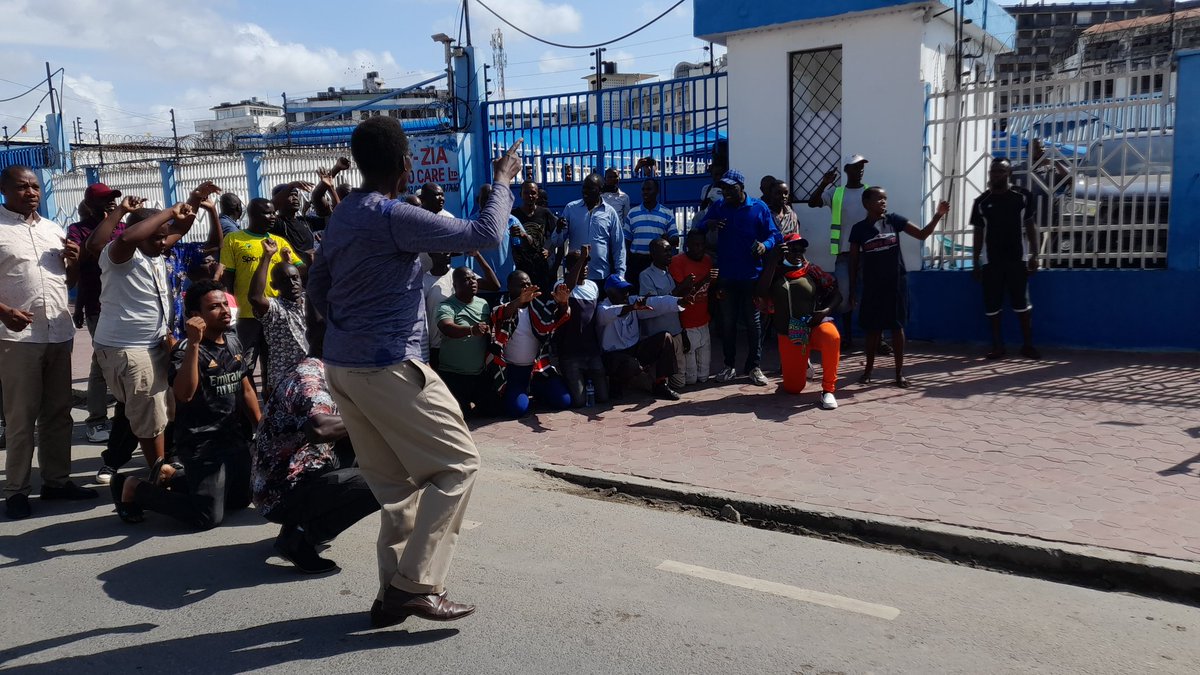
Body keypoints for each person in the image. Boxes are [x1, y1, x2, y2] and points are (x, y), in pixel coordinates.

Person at [307, 116, 523, 625]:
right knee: (459, 466)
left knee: (398, 488)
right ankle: (414, 585)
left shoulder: (345, 214)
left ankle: (391, 593)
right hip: (388, 366)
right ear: (405, 166)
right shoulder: (392, 214)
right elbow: (486, 233)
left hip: (344, 366)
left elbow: (318, 282)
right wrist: (504, 179)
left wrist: (346, 325)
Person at [88, 189, 214, 488]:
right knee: (148, 411)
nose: (163, 242)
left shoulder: (154, 251)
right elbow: (127, 238)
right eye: (156, 237)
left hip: (155, 342)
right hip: (127, 347)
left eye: (163, 237)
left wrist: (193, 202)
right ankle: (157, 474)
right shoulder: (119, 257)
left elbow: (178, 228)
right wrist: (168, 211)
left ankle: (162, 465)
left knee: (163, 408)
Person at [109, 280, 261, 528]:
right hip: (202, 444)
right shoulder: (185, 350)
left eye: (225, 304)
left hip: (233, 439)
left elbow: (245, 388)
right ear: (195, 316)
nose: (224, 310)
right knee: (206, 517)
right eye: (214, 307)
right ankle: (134, 488)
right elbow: (184, 394)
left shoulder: (233, 341)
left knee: (240, 501)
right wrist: (193, 343)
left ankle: (173, 475)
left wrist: (261, 426)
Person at [0, 165, 95, 519]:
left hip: (58, 332)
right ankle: (17, 489)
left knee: (58, 413)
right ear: (4, 190)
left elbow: (66, 278)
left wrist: (73, 261)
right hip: (16, 337)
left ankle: (56, 481)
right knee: (21, 416)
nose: (31, 192)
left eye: (35, 186)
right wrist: (4, 311)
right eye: (23, 187)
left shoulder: (53, 229)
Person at [253, 352, 381, 574]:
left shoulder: (332, 372)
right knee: (385, 480)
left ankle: (297, 527)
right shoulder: (310, 378)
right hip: (280, 493)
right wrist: (378, 417)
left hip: (302, 470)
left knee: (368, 451)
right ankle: (299, 537)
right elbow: (320, 428)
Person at [849, 188, 950, 387]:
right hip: (872, 286)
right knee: (873, 330)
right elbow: (853, 262)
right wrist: (852, 290)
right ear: (866, 203)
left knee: (897, 328)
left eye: (885, 198)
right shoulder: (859, 229)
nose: (883, 202)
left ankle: (899, 373)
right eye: (879, 198)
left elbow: (921, 234)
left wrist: (938, 215)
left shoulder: (894, 220)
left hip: (896, 284)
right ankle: (868, 371)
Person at [693, 169, 781, 386]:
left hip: (751, 276)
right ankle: (729, 365)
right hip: (726, 277)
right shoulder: (719, 206)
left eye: (730, 188)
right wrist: (709, 224)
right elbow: (699, 227)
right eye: (723, 189)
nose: (726, 193)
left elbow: (774, 235)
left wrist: (764, 245)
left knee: (754, 322)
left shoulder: (758, 208)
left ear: (741, 187)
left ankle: (754, 367)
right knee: (728, 323)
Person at [807, 154, 884, 355]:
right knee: (843, 298)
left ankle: (879, 339)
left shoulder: (870, 193)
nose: (860, 170)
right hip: (844, 254)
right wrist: (824, 184)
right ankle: (847, 338)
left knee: (874, 296)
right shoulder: (837, 193)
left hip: (869, 253)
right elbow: (812, 202)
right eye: (856, 167)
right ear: (846, 170)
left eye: (862, 166)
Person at [66, 182, 123, 443]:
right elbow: (85, 261)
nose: (111, 203)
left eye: (112, 199)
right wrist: (80, 307)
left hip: (126, 305)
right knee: (101, 363)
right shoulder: (77, 231)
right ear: (90, 205)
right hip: (98, 307)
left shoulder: (122, 227)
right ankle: (97, 420)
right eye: (105, 200)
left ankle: (126, 416)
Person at [220, 198, 300, 386]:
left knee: (274, 364)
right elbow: (227, 280)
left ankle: (270, 402)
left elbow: (300, 270)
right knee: (244, 363)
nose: (273, 217)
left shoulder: (278, 242)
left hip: (276, 317)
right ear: (253, 215)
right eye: (268, 213)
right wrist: (230, 312)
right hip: (247, 316)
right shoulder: (234, 239)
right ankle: (246, 406)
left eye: (274, 212)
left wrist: (289, 261)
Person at [757, 234, 842, 408]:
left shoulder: (811, 269)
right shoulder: (775, 272)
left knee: (831, 336)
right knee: (793, 388)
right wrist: (773, 261)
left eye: (801, 249)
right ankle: (802, 364)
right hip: (792, 331)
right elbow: (760, 292)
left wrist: (825, 310)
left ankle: (828, 390)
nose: (798, 253)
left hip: (813, 325)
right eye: (793, 249)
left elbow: (836, 293)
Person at [971, 158, 1041, 360]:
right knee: (992, 305)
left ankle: (1027, 345)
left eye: (1001, 171)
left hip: (1017, 259)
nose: (996, 175)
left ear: (1009, 173)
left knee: (1022, 305)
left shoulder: (1022, 197)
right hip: (991, 261)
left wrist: (1035, 255)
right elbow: (978, 232)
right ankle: (997, 346)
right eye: (993, 171)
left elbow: (1030, 226)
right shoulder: (982, 202)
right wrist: (976, 261)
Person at [487, 271, 572, 418]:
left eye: (528, 284)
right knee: (517, 410)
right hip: (512, 371)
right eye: (521, 285)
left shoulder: (538, 305)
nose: (526, 287)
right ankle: (520, 393)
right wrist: (518, 302)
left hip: (538, 369)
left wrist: (564, 303)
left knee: (564, 401)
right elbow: (499, 314)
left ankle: (536, 391)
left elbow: (556, 318)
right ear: (509, 286)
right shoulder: (502, 303)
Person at [597, 274, 687, 401]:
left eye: (627, 290)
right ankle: (615, 383)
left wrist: (679, 301)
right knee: (630, 364)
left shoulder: (633, 301)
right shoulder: (602, 308)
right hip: (613, 356)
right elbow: (611, 313)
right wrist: (632, 308)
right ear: (610, 292)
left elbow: (657, 303)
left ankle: (661, 384)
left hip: (634, 349)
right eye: (621, 291)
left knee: (665, 338)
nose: (626, 294)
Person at [248, 237, 308, 393]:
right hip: (286, 381)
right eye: (284, 280)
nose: (292, 284)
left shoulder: (310, 302)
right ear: (274, 286)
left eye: (295, 278)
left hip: (313, 377)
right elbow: (255, 297)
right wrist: (267, 257)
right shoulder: (275, 308)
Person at [436, 267, 494, 416]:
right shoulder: (446, 305)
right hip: (454, 374)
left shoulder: (483, 304)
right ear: (455, 285)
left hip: (478, 374)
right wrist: (471, 330)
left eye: (473, 278)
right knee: (460, 415)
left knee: (492, 409)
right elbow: (446, 327)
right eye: (466, 280)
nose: (472, 282)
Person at [555, 247, 608, 407]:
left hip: (591, 352)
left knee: (603, 398)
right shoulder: (561, 285)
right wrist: (582, 257)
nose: (584, 267)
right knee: (578, 402)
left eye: (586, 264)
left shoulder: (593, 286)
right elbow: (568, 289)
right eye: (579, 264)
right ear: (569, 267)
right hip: (571, 354)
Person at [638, 238, 689, 392]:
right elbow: (654, 305)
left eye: (670, 250)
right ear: (653, 254)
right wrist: (680, 289)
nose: (670, 253)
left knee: (680, 383)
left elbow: (678, 306)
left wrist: (683, 332)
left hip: (676, 333)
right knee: (661, 383)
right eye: (665, 250)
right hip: (660, 337)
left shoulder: (669, 273)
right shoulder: (646, 276)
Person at [669, 230, 717, 385]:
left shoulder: (708, 260)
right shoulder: (677, 262)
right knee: (690, 379)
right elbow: (679, 293)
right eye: (695, 245)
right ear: (687, 245)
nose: (699, 249)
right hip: (686, 325)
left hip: (703, 322)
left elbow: (711, 288)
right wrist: (705, 280)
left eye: (702, 245)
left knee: (703, 377)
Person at [562, 173, 625, 282]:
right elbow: (558, 241)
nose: (585, 191)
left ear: (600, 190)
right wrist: (559, 230)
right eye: (584, 187)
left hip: (601, 275)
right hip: (576, 276)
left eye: (590, 188)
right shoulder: (571, 208)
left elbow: (618, 245)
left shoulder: (610, 212)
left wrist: (620, 273)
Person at [625, 179, 680, 293]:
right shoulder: (632, 213)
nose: (645, 192)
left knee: (655, 297)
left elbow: (675, 239)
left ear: (657, 191)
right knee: (635, 295)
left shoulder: (666, 213)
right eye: (643, 189)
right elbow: (626, 240)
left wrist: (666, 240)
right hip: (636, 263)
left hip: (656, 263)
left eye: (649, 189)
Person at [511, 180, 554, 288]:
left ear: (538, 195)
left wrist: (549, 249)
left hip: (541, 265)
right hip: (521, 266)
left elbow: (555, 235)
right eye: (526, 192)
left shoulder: (545, 213)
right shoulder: (513, 215)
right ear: (520, 194)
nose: (529, 195)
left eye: (533, 193)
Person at [271, 181, 320, 264]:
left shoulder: (305, 222)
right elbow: (267, 209)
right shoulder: (276, 223)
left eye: (296, 195)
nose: (295, 198)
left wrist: (327, 187)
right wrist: (291, 185)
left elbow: (331, 216)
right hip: (292, 273)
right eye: (289, 195)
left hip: (312, 271)